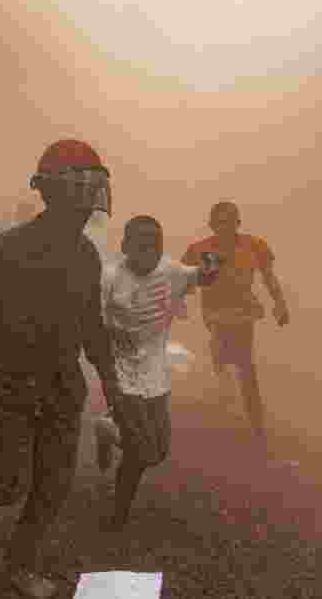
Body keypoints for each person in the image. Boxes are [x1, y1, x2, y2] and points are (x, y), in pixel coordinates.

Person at [0, 139, 118, 599]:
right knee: (4, 486)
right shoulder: (8, 248)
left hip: (61, 388)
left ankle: (19, 563)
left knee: (54, 485)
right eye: (80, 187)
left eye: (92, 187)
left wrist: (112, 381)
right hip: (8, 388)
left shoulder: (87, 257)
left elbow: (91, 326)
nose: (87, 200)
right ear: (53, 192)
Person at [93, 215, 219, 531]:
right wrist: (104, 368)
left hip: (156, 374)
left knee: (158, 452)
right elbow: (91, 324)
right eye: (142, 246)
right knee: (139, 452)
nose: (149, 253)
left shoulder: (171, 271)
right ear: (125, 247)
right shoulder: (109, 279)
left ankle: (106, 430)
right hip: (121, 374)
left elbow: (205, 276)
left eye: (155, 246)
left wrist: (213, 254)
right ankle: (117, 514)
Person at [181, 201, 290, 452]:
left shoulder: (252, 246)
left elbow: (268, 277)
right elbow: (186, 279)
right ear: (212, 226)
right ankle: (226, 393)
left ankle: (255, 423)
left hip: (243, 312)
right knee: (227, 356)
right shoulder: (205, 249)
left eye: (229, 224)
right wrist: (179, 301)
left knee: (245, 365)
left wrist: (280, 304)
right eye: (220, 225)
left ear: (237, 224)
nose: (225, 229)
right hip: (216, 312)